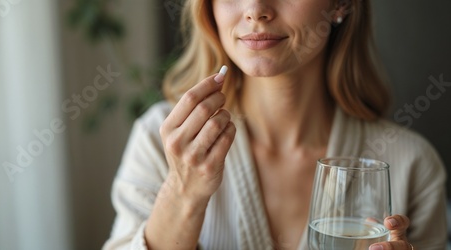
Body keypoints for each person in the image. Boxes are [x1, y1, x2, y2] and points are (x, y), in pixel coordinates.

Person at [103, 0, 447, 249]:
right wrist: (182, 192)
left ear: (341, 4)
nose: (255, 9)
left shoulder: (412, 165)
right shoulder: (160, 140)